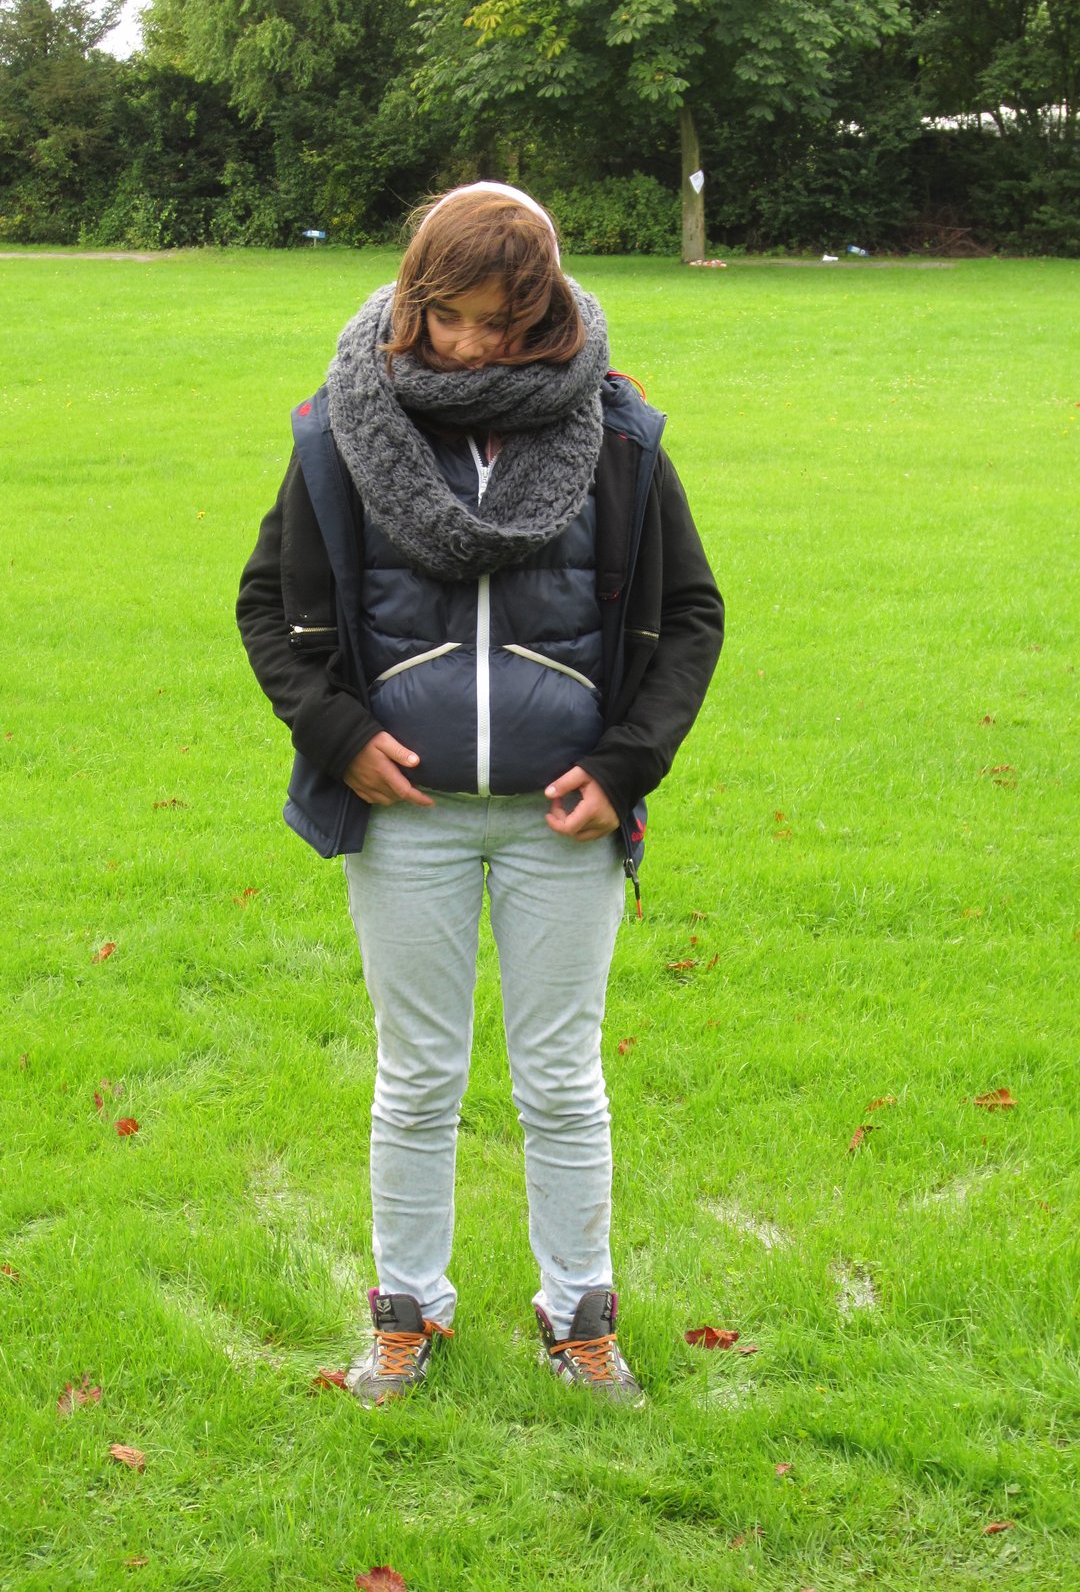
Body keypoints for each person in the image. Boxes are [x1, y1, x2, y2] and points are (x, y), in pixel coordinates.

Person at [236, 183, 724, 1407]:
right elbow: (266, 605)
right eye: (447, 316)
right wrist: (340, 735)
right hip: (409, 820)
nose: (469, 345)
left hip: (567, 820)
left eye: (501, 320)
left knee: (561, 1080)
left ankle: (581, 1318)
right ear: (415, 297)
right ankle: (407, 1315)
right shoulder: (342, 426)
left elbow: (692, 615)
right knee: (417, 1078)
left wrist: (627, 764)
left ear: (543, 304)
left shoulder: (619, 433)